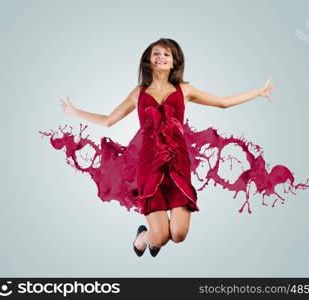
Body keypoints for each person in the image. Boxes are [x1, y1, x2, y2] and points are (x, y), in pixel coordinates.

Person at [60, 38, 274, 257]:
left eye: (166, 54)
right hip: (149, 165)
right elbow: (108, 121)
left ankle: (153, 234)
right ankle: (143, 237)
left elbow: (223, 102)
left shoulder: (185, 90)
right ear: (148, 60)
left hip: (178, 162)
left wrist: (258, 92)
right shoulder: (138, 93)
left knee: (179, 235)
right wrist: (76, 112)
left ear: (174, 62)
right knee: (160, 237)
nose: (160, 57)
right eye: (156, 53)